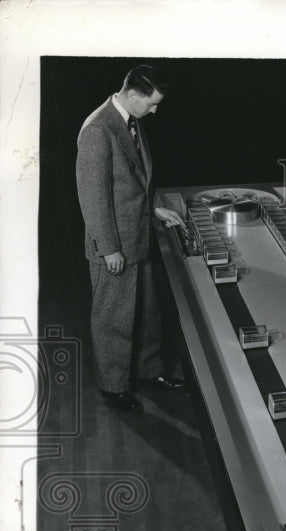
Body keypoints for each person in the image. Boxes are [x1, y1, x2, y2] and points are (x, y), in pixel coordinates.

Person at [76, 64, 187, 413]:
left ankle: (149, 372)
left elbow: (137, 179)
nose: (154, 111)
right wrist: (109, 248)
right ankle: (114, 387)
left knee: (147, 313)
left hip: (138, 236)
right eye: (151, 103)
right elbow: (93, 198)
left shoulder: (132, 120)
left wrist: (155, 208)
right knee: (115, 320)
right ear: (133, 94)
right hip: (115, 246)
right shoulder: (98, 129)